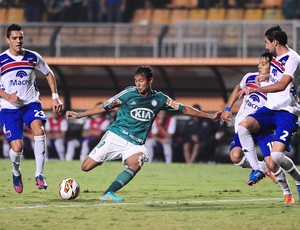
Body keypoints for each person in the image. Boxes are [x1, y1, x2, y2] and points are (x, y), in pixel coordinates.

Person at [66, 65, 222, 201]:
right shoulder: (127, 94)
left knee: (136, 163)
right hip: (116, 136)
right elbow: (104, 106)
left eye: (141, 81)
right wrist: (79, 115)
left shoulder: (161, 99)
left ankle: (109, 193)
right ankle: (102, 158)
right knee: (85, 167)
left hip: (135, 143)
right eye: (136, 81)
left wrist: (210, 116)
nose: (138, 84)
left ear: (150, 80)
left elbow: (185, 109)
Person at [222, 52, 295, 204]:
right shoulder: (249, 77)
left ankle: (286, 192)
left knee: (273, 162)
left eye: (263, 64)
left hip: (264, 128)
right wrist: (228, 109)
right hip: (246, 124)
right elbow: (237, 89)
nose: (259, 66)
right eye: (259, 63)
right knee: (235, 156)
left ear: (273, 66)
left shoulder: (278, 86)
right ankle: (259, 167)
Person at [237, 25, 300, 201]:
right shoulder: (276, 58)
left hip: (286, 111)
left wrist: (257, 89)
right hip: (269, 109)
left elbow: (282, 85)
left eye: (267, 42)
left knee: (278, 156)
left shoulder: (292, 58)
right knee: (243, 127)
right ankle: (257, 168)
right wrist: (265, 78)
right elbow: (277, 78)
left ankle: (298, 180)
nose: (266, 46)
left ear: (275, 42)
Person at [0, 24, 63, 193]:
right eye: (14, 38)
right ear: (8, 40)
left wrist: (55, 97)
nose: (18, 41)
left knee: (39, 130)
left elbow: (49, 74)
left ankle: (39, 175)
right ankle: (16, 172)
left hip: (30, 103)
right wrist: (7, 96)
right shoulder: (2, 60)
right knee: (17, 148)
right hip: (9, 107)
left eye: (20, 37)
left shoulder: (33, 57)